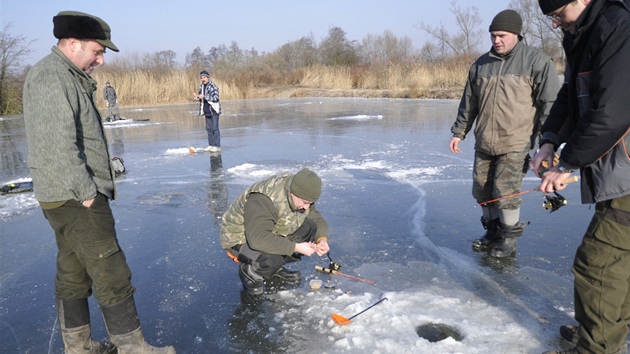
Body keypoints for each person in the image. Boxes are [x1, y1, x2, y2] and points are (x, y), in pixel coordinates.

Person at [22, 11, 175, 354]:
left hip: (64, 196)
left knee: (73, 271)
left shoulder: (65, 75)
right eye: (97, 50)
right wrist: (88, 194)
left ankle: (78, 347)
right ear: (73, 43)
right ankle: (133, 348)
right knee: (111, 272)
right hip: (75, 197)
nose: (101, 59)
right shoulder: (51, 77)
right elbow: (59, 144)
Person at [531, 0, 630, 353]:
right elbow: (570, 97)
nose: (556, 24)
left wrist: (567, 164)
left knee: (597, 265)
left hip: (628, 176)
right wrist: (548, 142)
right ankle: (600, 332)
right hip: (619, 172)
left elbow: (614, 112)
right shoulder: (584, 32)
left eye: (559, 14)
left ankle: (599, 345)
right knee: (618, 261)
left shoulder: (618, 27)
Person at [449, 9, 561, 258]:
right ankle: (492, 233)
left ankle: (508, 240)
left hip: (516, 142)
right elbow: (469, 103)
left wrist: (548, 142)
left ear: (516, 34)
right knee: (481, 190)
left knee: (506, 191)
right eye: (492, 36)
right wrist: (460, 131)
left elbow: (550, 105)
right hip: (485, 142)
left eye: (501, 35)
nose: (496, 40)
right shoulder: (481, 64)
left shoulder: (537, 61)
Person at [220, 168, 330, 295]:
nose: (306, 207)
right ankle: (251, 272)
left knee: (309, 228)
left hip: (269, 230)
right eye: (305, 203)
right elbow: (258, 239)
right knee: (269, 259)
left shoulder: (301, 193)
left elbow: (315, 218)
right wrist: (296, 247)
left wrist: (322, 239)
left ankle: (274, 269)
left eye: (310, 203)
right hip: (240, 238)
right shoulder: (263, 198)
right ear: (293, 193)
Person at [194, 70, 222, 152]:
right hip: (206, 110)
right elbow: (200, 97)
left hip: (214, 110)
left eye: (204, 77)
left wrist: (205, 96)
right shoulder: (201, 87)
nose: (203, 79)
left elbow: (215, 98)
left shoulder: (213, 86)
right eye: (201, 78)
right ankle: (211, 145)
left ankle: (217, 146)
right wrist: (197, 97)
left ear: (208, 77)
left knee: (215, 128)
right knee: (209, 128)